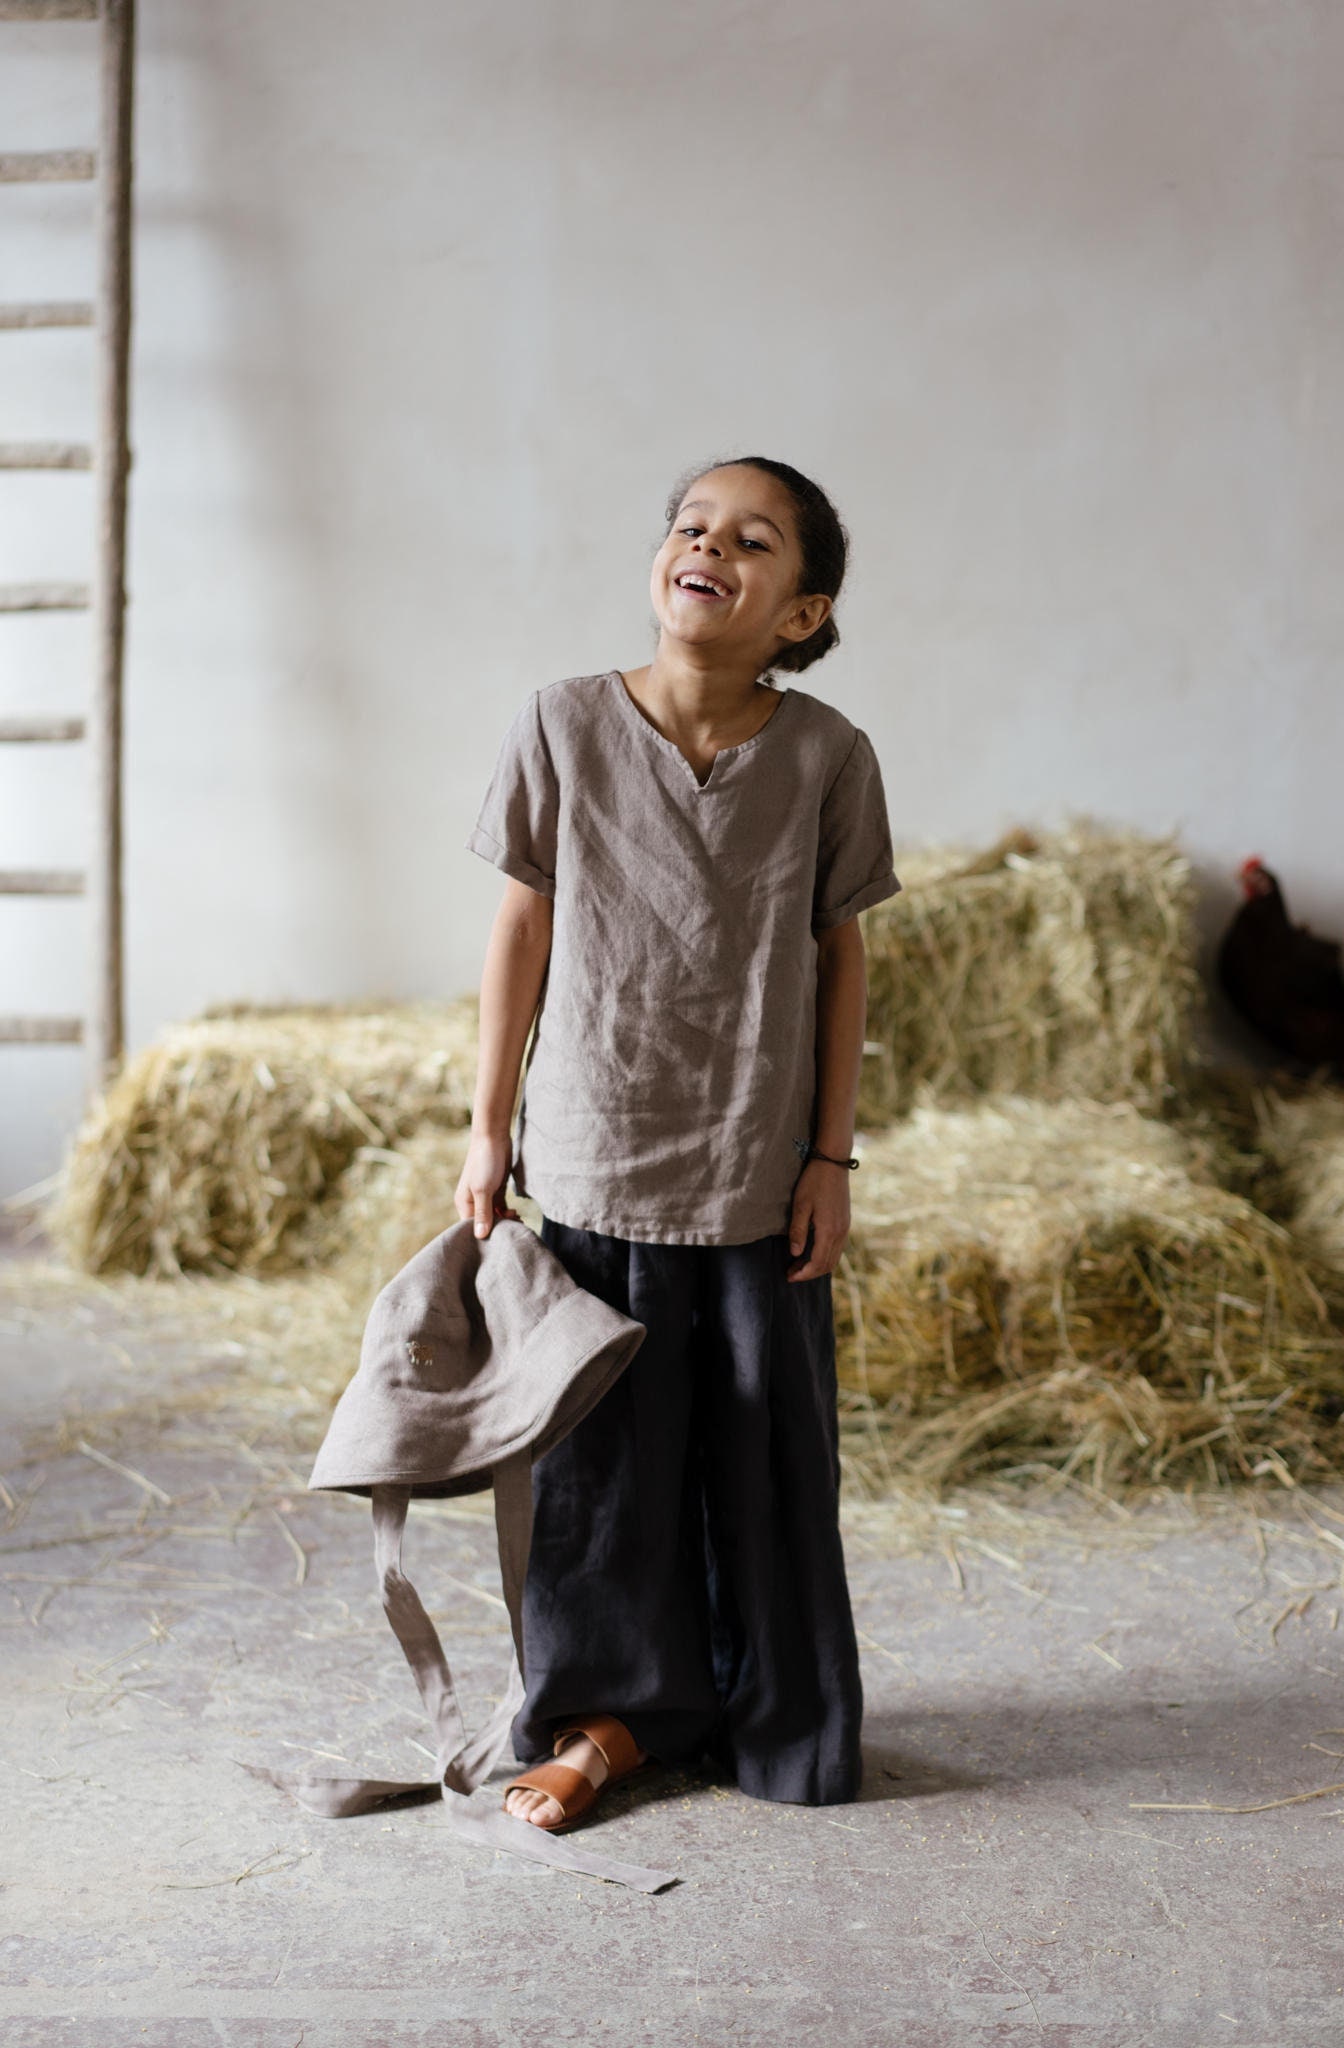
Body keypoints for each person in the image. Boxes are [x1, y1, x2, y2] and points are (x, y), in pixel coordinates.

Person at [455, 454, 902, 1834]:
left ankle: (780, 1716)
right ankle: (605, 1721)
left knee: (768, 1459)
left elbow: (841, 959)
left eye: (750, 540)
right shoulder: (561, 724)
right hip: (592, 1156)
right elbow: (521, 930)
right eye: (690, 525)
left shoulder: (827, 754)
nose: (707, 546)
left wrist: (829, 1158)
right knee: (600, 1474)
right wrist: (484, 1133)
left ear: (800, 609)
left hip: (757, 1176)